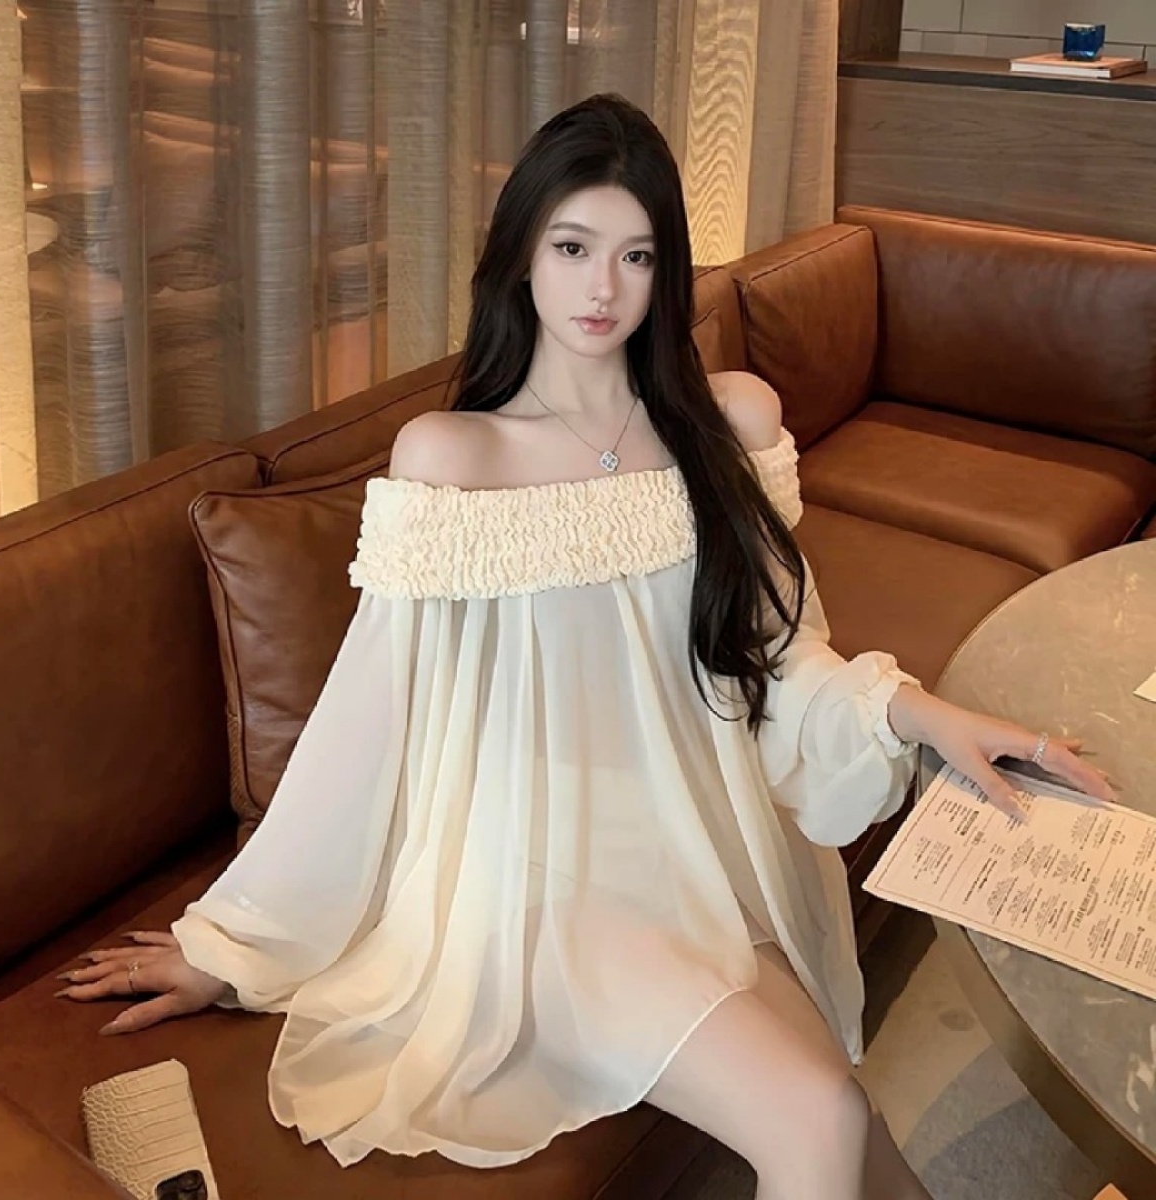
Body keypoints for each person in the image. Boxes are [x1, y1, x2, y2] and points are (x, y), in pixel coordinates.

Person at [57, 95, 1114, 1199]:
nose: (602, 288)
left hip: (704, 851)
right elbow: (369, 722)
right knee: (818, 1117)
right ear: (521, 255)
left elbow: (770, 661)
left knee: (845, 1119)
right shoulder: (453, 460)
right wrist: (231, 947)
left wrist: (921, 712)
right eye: (572, 248)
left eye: (635, 255)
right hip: (546, 884)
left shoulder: (728, 425)